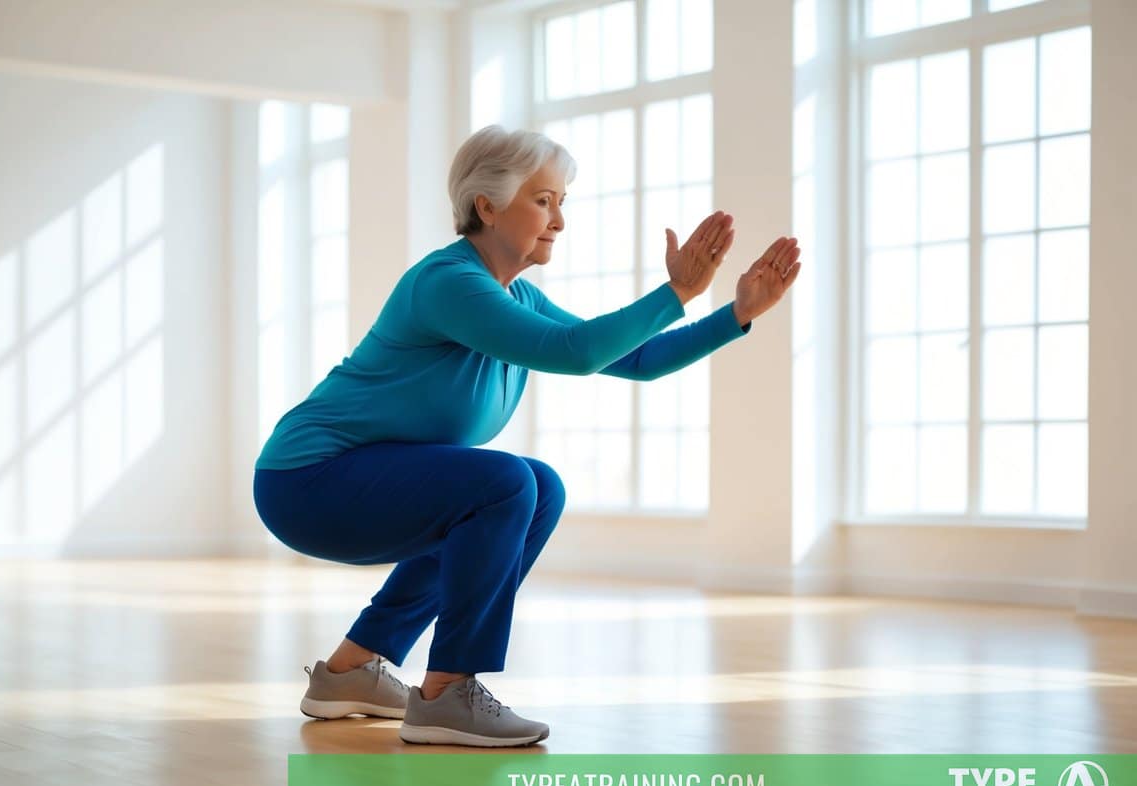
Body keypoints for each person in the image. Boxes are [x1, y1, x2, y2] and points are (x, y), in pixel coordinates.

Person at [253, 125, 801, 748]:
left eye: (561, 202)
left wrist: (737, 313)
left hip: (354, 478)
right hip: (306, 481)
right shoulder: (449, 282)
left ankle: (349, 672)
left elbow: (636, 359)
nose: (559, 221)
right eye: (544, 201)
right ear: (487, 206)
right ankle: (447, 692)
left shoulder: (517, 296)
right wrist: (677, 291)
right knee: (505, 483)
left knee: (538, 487)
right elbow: (577, 351)